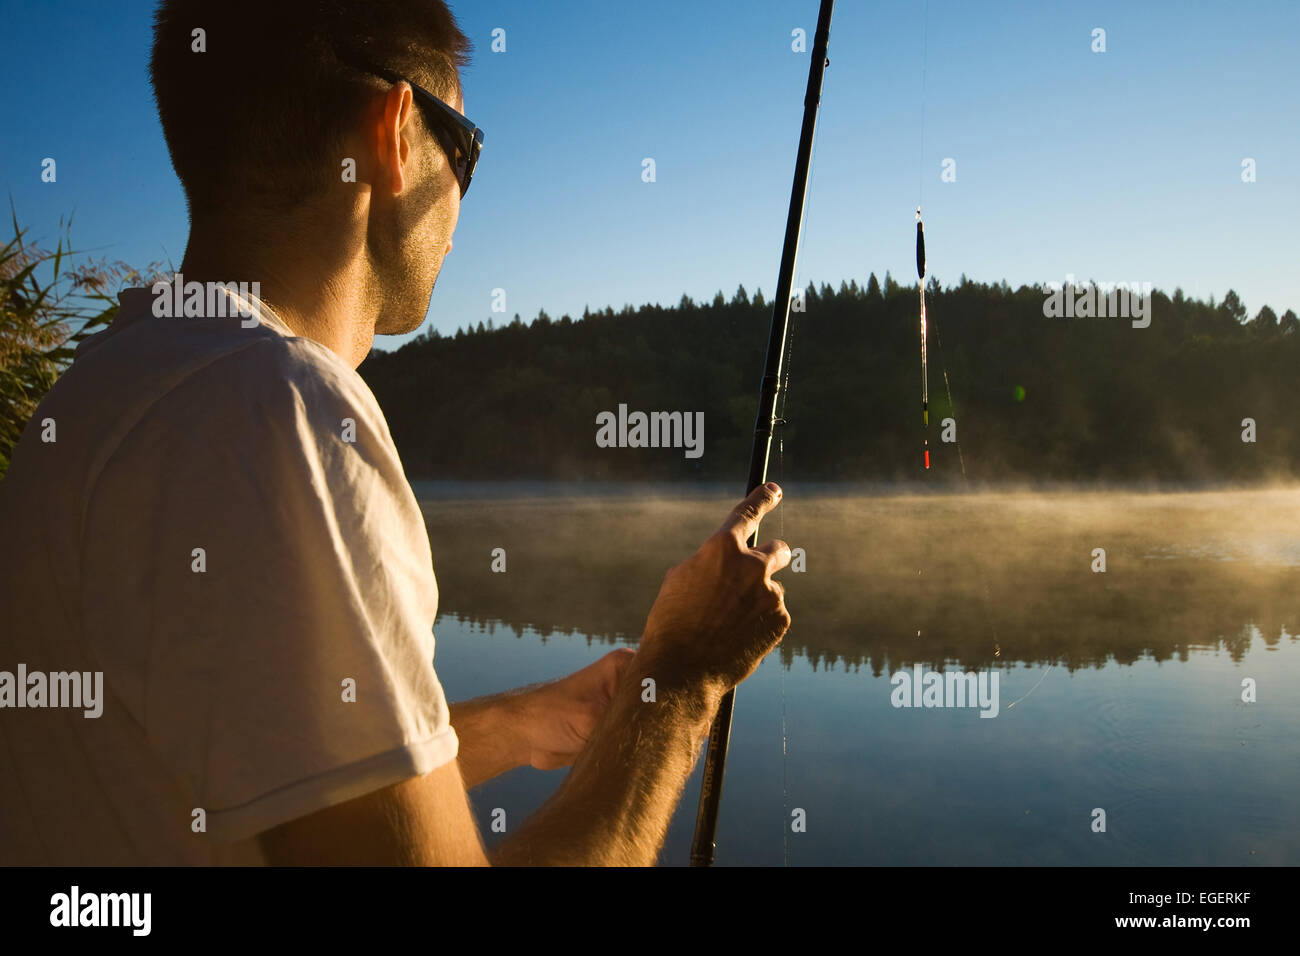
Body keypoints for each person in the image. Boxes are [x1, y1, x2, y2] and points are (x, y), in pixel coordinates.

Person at [0, 0, 791, 866]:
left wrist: (518, 723)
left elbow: (264, 772)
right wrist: (681, 681)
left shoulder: (99, 395)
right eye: (465, 149)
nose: (464, 199)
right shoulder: (282, 413)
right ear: (393, 129)